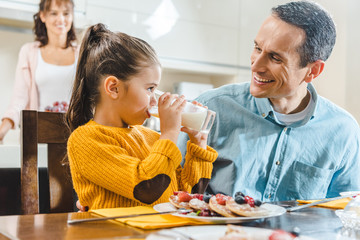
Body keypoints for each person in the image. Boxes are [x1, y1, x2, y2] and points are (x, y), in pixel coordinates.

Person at [178, 1, 360, 202]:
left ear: (313, 70)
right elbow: (174, 192)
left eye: (275, 58)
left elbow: (343, 211)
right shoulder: (211, 108)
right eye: (257, 48)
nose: (256, 65)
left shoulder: (343, 131)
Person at [65, 23, 218, 210]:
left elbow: (187, 197)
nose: (154, 100)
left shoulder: (151, 138)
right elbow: (147, 188)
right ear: (114, 88)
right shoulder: (86, 141)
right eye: (150, 89)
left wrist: (198, 144)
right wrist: (169, 133)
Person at [0, 0, 78, 143]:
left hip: (74, 139)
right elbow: (19, 99)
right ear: (43, 16)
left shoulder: (82, 53)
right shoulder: (29, 52)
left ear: (72, 16)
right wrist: (2, 130)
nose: (61, 19)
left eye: (66, 13)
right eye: (54, 13)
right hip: (37, 139)